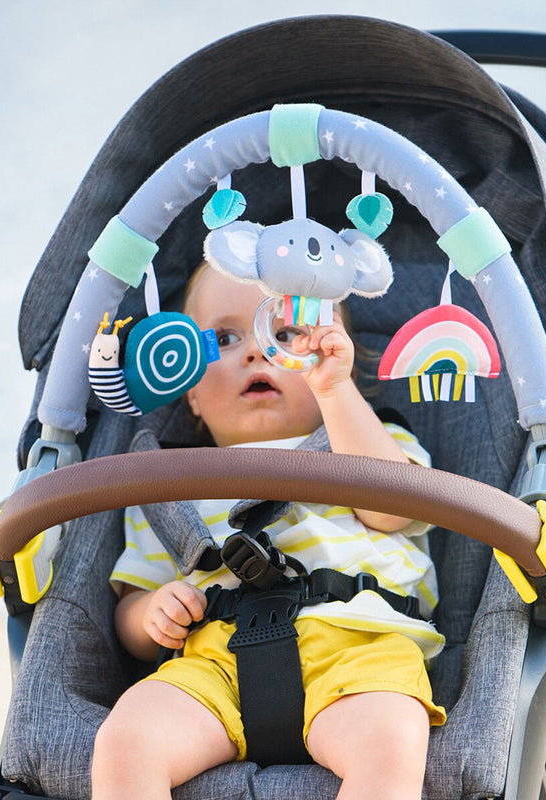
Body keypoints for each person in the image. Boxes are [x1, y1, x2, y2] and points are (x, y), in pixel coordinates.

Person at [91, 263, 446, 800]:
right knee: (125, 741)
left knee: (390, 739)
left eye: (285, 334)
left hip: (360, 648)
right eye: (224, 339)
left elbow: (394, 512)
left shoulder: (371, 440)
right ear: (189, 391)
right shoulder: (167, 484)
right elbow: (130, 610)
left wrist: (335, 393)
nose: (256, 352)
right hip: (215, 661)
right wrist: (150, 614)